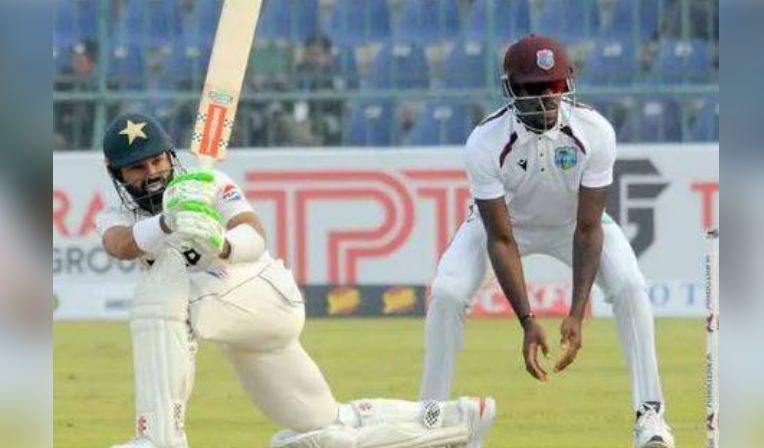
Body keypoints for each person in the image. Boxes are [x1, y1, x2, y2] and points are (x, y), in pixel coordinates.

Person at [97, 112, 496, 448]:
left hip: (262, 295)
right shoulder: (115, 213)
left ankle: (159, 436)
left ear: (170, 156)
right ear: (116, 174)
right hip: (237, 326)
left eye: (157, 162)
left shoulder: (210, 184)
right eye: (138, 167)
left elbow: (254, 235)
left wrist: (220, 242)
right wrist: (168, 221)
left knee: (162, 294)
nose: (152, 173)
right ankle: (456, 420)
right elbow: (120, 244)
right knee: (322, 430)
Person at [419, 34, 675, 448]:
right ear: (511, 91)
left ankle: (651, 417)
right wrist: (526, 320)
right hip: (506, 226)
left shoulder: (594, 131)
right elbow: (501, 239)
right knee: (447, 293)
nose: (547, 99)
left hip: (574, 223)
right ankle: (428, 422)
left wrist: (576, 312)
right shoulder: (484, 143)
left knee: (630, 287)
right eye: (535, 90)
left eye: (555, 87)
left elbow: (589, 228)